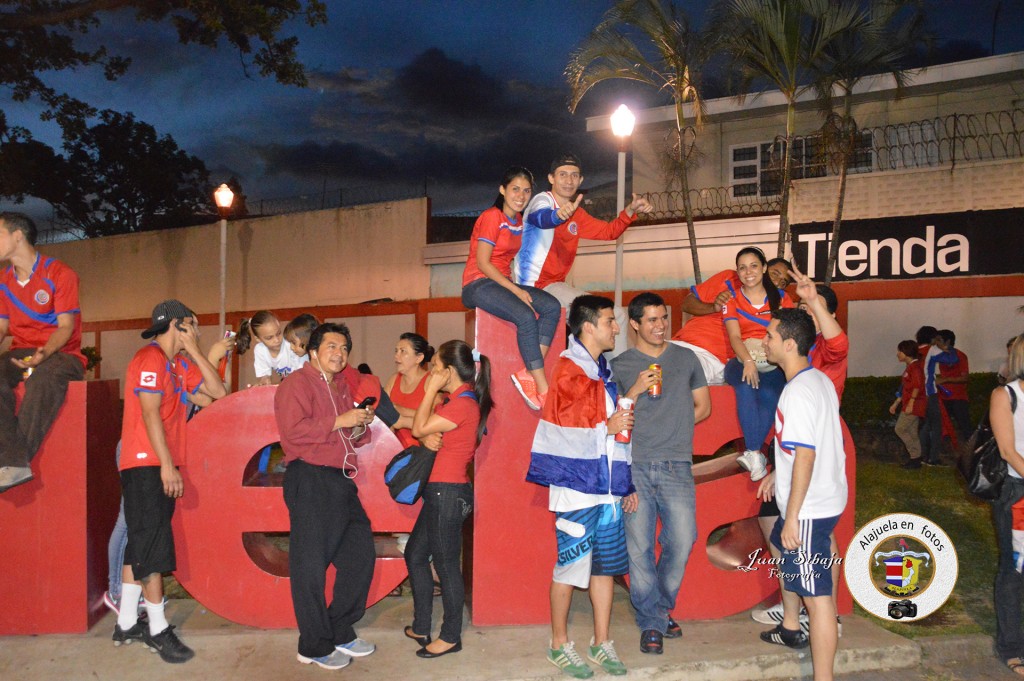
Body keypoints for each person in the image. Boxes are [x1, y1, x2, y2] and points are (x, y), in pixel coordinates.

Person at [527, 294, 637, 679]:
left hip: (606, 490)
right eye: (610, 321)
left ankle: (600, 642)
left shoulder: (599, 370)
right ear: (588, 326)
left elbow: (615, 434)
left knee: (605, 568)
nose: (616, 328)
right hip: (576, 490)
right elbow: (558, 434)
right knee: (570, 568)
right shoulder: (568, 370)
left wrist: (625, 483)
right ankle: (559, 644)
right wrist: (606, 427)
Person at [114, 300, 227, 663]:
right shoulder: (149, 359)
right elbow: (149, 414)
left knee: (140, 541)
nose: (197, 331)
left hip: (158, 462)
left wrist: (194, 350)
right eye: (192, 325)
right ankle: (158, 629)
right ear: (177, 325)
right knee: (152, 545)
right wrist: (166, 465)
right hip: (146, 463)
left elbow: (217, 394)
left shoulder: (177, 364)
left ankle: (127, 622)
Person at [274, 322, 378, 670]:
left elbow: (350, 435)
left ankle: (339, 629)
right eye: (332, 346)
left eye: (344, 348)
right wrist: (340, 420)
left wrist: (358, 425)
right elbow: (292, 432)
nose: (340, 353)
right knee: (310, 566)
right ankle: (313, 644)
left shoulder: (341, 385)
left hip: (340, 480)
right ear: (313, 351)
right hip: (310, 478)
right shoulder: (296, 384)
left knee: (360, 555)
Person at [611, 292, 710, 654]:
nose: (660, 325)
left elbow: (703, 407)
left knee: (682, 539)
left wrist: (674, 427)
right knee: (638, 547)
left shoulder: (686, 358)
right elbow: (613, 417)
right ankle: (652, 621)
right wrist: (635, 391)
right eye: (651, 320)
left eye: (663, 317)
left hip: (676, 463)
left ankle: (659, 606)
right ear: (635, 324)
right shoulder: (620, 365)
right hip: (634, 465)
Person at [750, 265, 847, 633]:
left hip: (815, 469)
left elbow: (839, 343)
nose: (805, 312)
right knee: (782, 531)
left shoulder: (827, 357)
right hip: (799, 457)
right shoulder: (804, 368)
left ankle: (822, 615)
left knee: (813, 540)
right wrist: (781, 468)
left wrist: (813, 300)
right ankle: (794, 616)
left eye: (813, 308)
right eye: (802, 309)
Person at [514, 153, 653, 357]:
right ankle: (618, 373)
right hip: (536, 287)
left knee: (609, 319)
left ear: (580, 180)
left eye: (574, 175)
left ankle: (597, 370)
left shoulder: (577, 214)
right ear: (551, 178)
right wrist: (557, 216)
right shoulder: (542, 200)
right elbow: (542, 218)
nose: (569, 180)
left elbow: (609, 232)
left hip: (556, 287)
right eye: (563, 174)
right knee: (613, 316)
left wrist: (630, 211)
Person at [405, 340, 492, 658]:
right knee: (415, 555)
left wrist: (429, 390)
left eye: (435, 368)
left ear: (449, 371)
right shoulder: (455, 401)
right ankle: (421, 625)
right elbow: (422, 428)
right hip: (441, 492)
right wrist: (426, 427)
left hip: (448, 493)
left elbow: (418, 428)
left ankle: (451, 636)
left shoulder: (462, 404)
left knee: (446, 566)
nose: (431, 373)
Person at [0, 212, 87, 492]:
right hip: (21, 350)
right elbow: (1, 327)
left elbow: (65, 327)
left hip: (63, 353)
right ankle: (12, 461)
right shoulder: (3, 281)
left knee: (42, 380)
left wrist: (44, 353)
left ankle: (14, 463)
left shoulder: (60, 274)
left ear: (17, 236)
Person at [462, 166, 561, 411]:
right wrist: (516, 291)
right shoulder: (492, 217)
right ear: (502, 190)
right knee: (525, 316)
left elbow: (509, 260)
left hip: (501, 283)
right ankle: (543, 388)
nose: (521, 195)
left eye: (526, 191)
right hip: (477, 283)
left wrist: (518, 287)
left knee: (551, 306)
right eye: (515, 189)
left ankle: (529, 371)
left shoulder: (517, 221)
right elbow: (484, 263)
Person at [722, 247, 794, 481]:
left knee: (770, 394)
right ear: (737, 272)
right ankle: (755, 454)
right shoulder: (731, 300)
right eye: (742, 268)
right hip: (741, 359)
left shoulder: (782, 299)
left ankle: (753, 452)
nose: (748, 272)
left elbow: (789, 333)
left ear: (764, 268)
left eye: (754, 266)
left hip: (773, 362)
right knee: (745, 386)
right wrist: (748, 361)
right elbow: (734, 336)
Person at [671, 259, 792, 385]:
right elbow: (686, 304)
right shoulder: (729, 278)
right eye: (774, 274)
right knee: (658, 364)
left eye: (783, 282)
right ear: (763, 269)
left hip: (709, 356)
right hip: (679, 343)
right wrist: (714, 307)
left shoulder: (779, 302)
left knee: (675, 373)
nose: (777, 282)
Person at [991, 335, 1024, 677]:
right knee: (1014, 571)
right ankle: (1012, 648)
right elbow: (1007, 451)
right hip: (1017, 493)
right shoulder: (1006, 395)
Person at [916, 325, 959, 465]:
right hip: (930, 391)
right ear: (932, 338)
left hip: (918, 393)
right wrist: (947, 348)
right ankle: (933, 458)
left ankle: (922, 455)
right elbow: (952, 359)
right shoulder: (932, 350)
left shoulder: (916, 350)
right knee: (936, 425)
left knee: (926, 424)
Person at [385, 332, 435, 450]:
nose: (396, 356)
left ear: (419, 358)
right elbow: (383, 411)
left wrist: (401, 411)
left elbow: (436, 417)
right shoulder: (394, 379)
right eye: (396, 351)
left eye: (403, 351)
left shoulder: (431, 381)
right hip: (393, 450)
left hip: (419, 451)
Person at [237, 310, 305, 385]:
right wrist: (264, 382)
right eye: (269, 338)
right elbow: (264, 376)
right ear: (258, 339)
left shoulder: (291, 345)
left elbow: (301, 375)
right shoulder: (260, 350)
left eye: (279, 333)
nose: (277, 340)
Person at [890, 340, 926, 469]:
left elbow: (917, 386)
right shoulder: (911, 367)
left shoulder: (915, 367)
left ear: (907, 352)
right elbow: (905, 388)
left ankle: (915, 456)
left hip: (914, 405)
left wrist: (911, 403)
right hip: (911, 404)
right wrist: (896, 403)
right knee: (911, 432)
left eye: (900, 351)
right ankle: (916, 459)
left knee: (900, 429)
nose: (898, 354)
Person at [936, 329, 972, 444]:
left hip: (958, 397)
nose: (936, 343)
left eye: (939, 340)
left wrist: (945, 379)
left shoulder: (960, 356)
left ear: (947, 341)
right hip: (944, 396)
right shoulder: (941, 356)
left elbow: (965, 378)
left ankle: (973, 450)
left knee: (965, 426)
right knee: (943, 427)